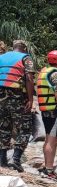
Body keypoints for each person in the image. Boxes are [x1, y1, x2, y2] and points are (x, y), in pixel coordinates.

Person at [0, 40, 35, 171]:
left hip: (0, 96)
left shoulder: (1, 57)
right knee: (25, 128)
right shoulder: (26, 58)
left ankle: (2, 161)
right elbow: (29, 78)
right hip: (17, 95)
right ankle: (16, 159)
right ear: (24, 49)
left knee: (3, 128)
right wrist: (30, 99)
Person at [36, 50, 57, 179]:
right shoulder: (56, 74)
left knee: (48, 139)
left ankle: (46, 166)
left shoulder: (44, 71)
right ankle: (49, 170)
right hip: (53, 111)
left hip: (46, 110)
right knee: (52, 140)